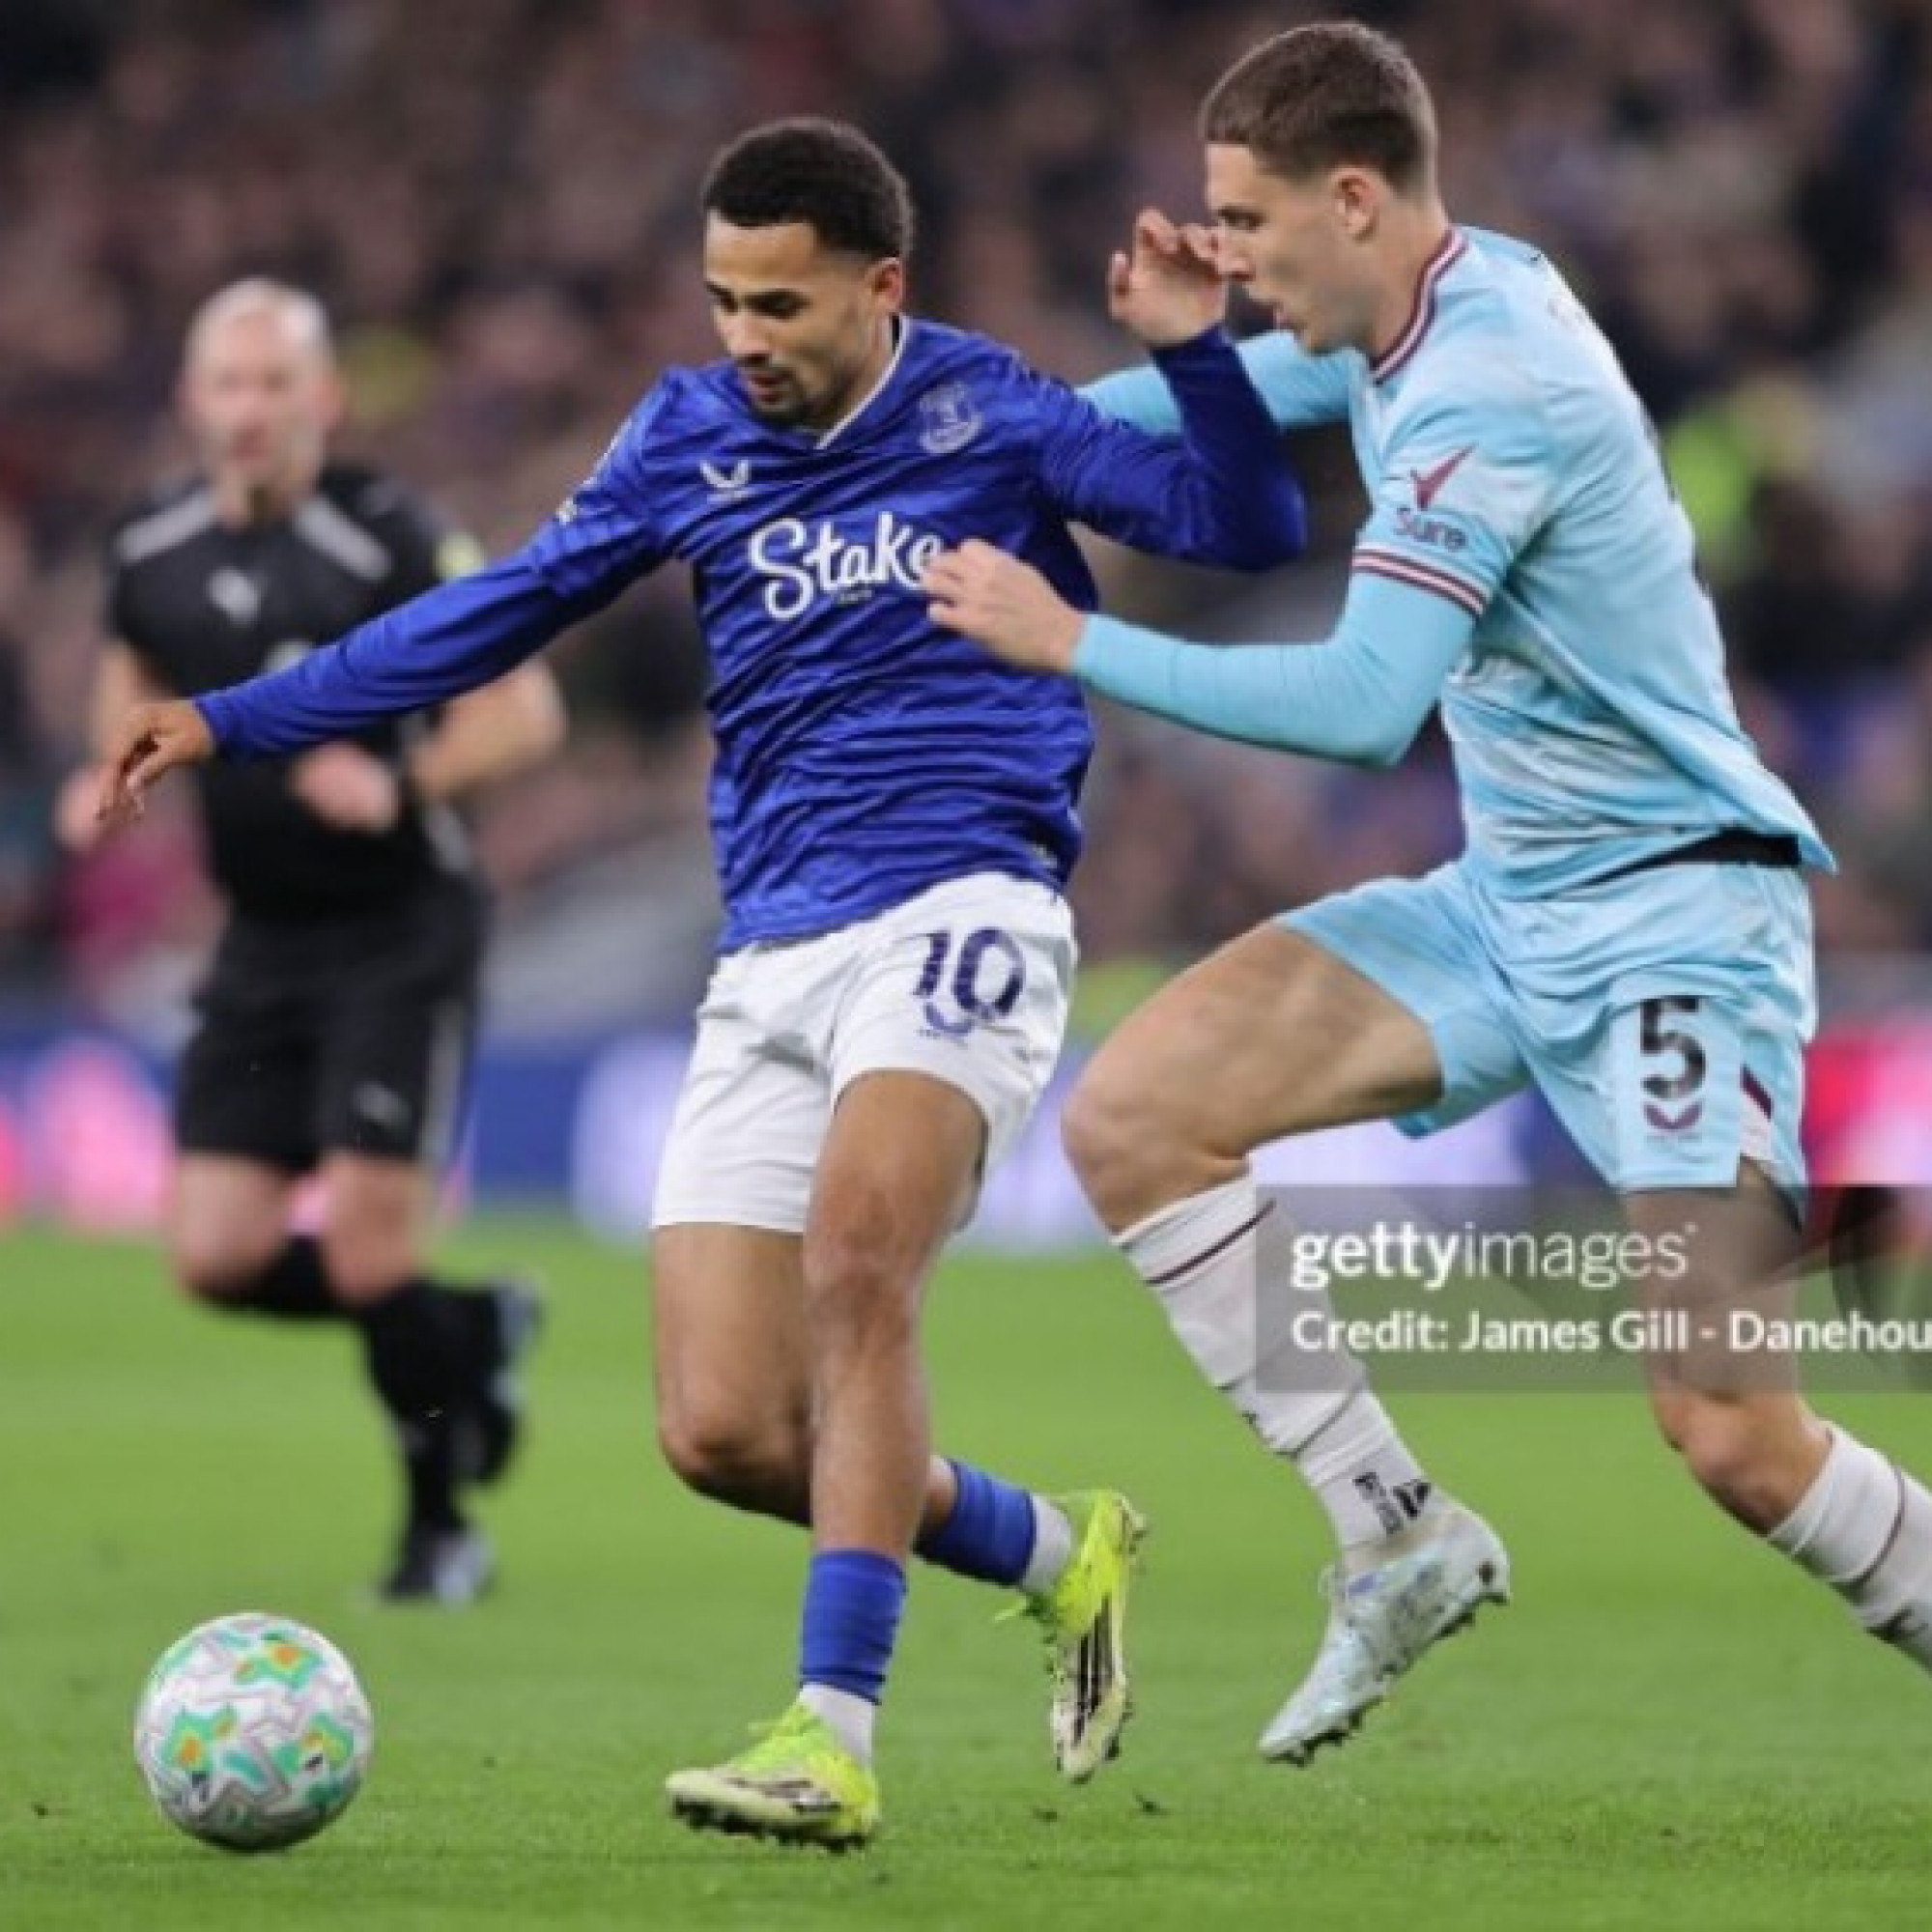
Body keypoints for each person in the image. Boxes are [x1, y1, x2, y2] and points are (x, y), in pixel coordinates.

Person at [95, 121, 1308, 1846]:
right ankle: (1056, 1546)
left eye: (781, 305)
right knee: (728, 1433)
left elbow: (1246, 524)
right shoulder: (686, 433)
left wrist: (1195, 355)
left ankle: (831, 1733)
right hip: (773, 955)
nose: (744, 337)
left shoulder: (994, 413)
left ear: (882, 290)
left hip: (963, 904)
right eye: (724, 298)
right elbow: (495, 612)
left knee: (860, 1258)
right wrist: (236, 718)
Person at [928, 19, 1932, 1767]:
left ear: (1356, 197)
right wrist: (980, 450)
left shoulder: (1492, 386)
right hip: (1507, 903)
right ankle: (1397, 1531)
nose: (1223, 258)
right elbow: (1201, 402)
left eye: (1245, 223)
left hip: (1675, 918)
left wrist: (1070, 636)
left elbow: (1362, 703)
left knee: (1729, 1428)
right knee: (1142, 1116)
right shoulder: (1419, 307)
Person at [61, 279, 561, 1605]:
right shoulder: (149, 545)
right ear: (192, 401)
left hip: (399, 926)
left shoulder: (391, 535)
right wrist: (102, 776)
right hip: (262, 939)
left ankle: (440, 1529)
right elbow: (127, 681)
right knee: (215, 1257)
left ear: (324, 402)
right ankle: (471, 1328)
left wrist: (404, 784)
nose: (250, 410)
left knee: (369, 1253)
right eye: (228, 384)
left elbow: (526, 712)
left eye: (276, 384)